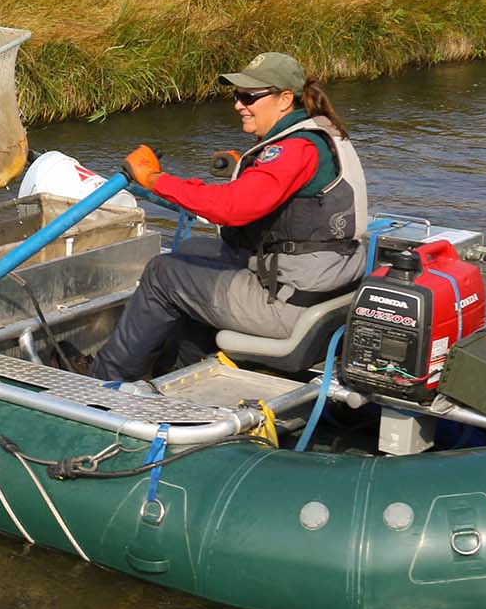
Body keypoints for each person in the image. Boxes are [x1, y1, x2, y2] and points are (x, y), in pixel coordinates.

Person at [84, 51, 370, 382]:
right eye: (237, 95)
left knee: (162, 274)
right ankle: (181, 368)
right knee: (191, 251)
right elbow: (288, 196)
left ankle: (102, 381)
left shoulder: (294, 149)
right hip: (321, 280)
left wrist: (154, 180)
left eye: (249, 96)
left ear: (284, 99)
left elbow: (232, 208)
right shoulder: (317, 132)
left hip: (289, 302)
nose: (238, 105)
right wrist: (244, 169)